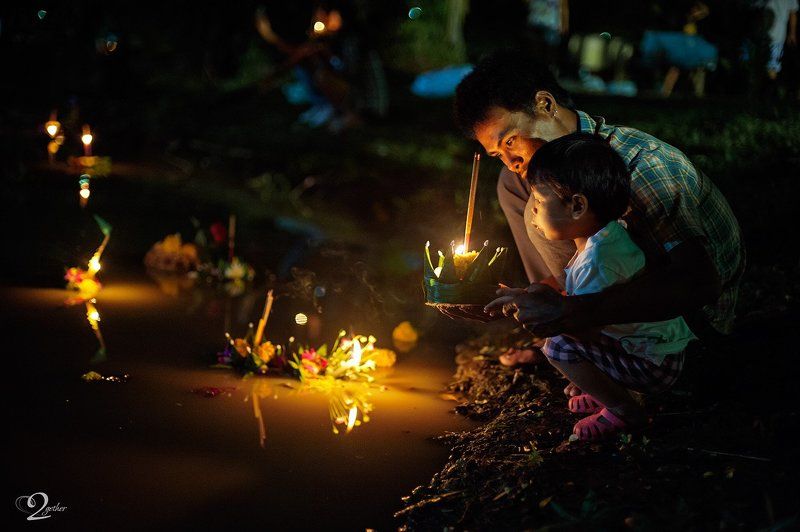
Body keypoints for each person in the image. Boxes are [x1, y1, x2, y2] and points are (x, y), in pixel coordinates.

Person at [447, 50, 743, 374]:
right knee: (516, 185)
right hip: (602, 299)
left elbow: (699, 283)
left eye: (511, 141)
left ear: (545, 105)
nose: (511, 162)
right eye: (497, 154)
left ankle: (584, 333)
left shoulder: (638, 166)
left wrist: (572, 312)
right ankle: (566, 324)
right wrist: (508, 299)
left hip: (687, 326)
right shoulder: (524, 176)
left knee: (539, 199)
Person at [523, 132, 696, 439]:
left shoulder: (597, 262)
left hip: (655, 363)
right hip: (658, 349)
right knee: (567, 339)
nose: (533, 209)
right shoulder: (606, 236)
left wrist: (535, 309)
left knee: (558, 345)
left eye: (538, 200)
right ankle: (608, 391)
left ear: (577, 206)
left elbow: (584, 329)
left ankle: (624, 410)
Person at [764, 0, 798, 80]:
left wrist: (792, 33)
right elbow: (793, 13)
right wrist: (792, 33)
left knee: (771, 68)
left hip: (764, 32)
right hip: (776, 35)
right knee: (772, 69)